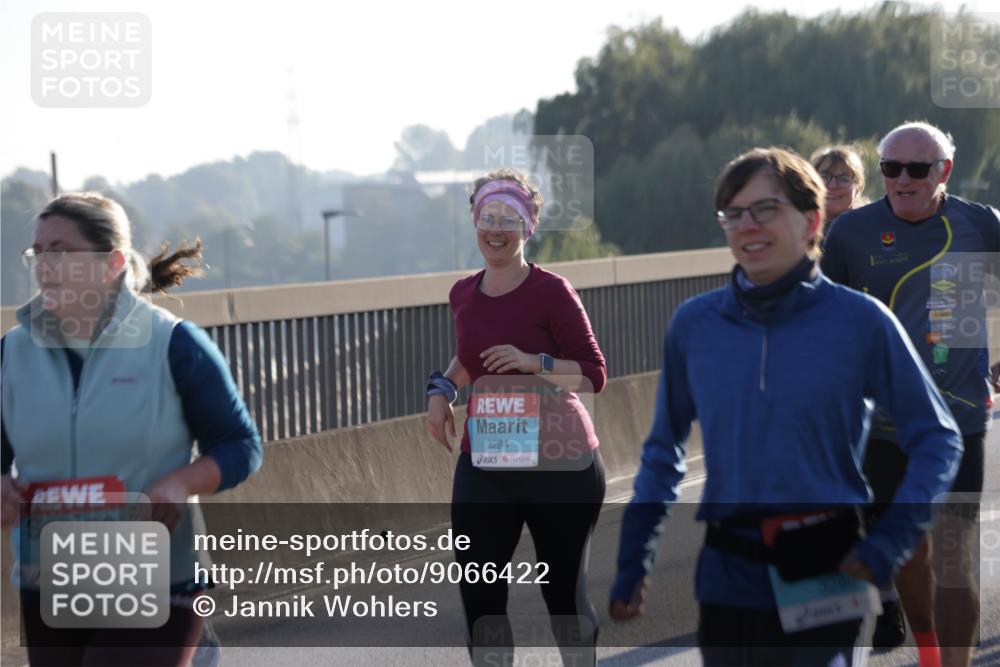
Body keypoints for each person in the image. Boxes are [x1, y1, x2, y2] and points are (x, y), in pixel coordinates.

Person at [610, 147, 962, 666]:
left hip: (823, 565)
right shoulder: (695, 325)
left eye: (766, 209)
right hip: (725, 572)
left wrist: (889, 540)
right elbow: (664, 453)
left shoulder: (860, 321)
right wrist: (632, 561)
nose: (747, 225)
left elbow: (938, 436)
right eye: (733, 213)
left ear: (812, 220)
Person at [0, 192, 263, 666]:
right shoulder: (12, 353)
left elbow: (240, 445)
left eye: (61, 251)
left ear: (112, 264)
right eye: (38, 252)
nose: (44, 265)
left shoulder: (173, 343)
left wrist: (180, 483)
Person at [823, 121, 1000, 667]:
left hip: (958, 418)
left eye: (916, 169)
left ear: (943, 171)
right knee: (910, 555)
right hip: (882, 424)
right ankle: (927, 649)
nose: (901, 179)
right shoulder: (850, 234)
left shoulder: (979, 224)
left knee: (955, 557)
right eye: (890, 168)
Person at [425, 169, 607, 666]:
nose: (496, 228)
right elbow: (472, 357)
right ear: (474, 222)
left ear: (528, 227)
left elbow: (593, 375)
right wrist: (442, 389)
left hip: (560, 465)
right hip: (488, 462)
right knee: (481, 601)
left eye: (509, 218)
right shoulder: (463, 292)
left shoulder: (552, 291)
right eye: (487, 217)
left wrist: (537, 363)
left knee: (563, 599)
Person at [811, 145, 867, 229]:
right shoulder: (797, 228)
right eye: (824, 177)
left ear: (857, 188)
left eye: (843, 179)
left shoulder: (870, 230)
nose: (832, 185)